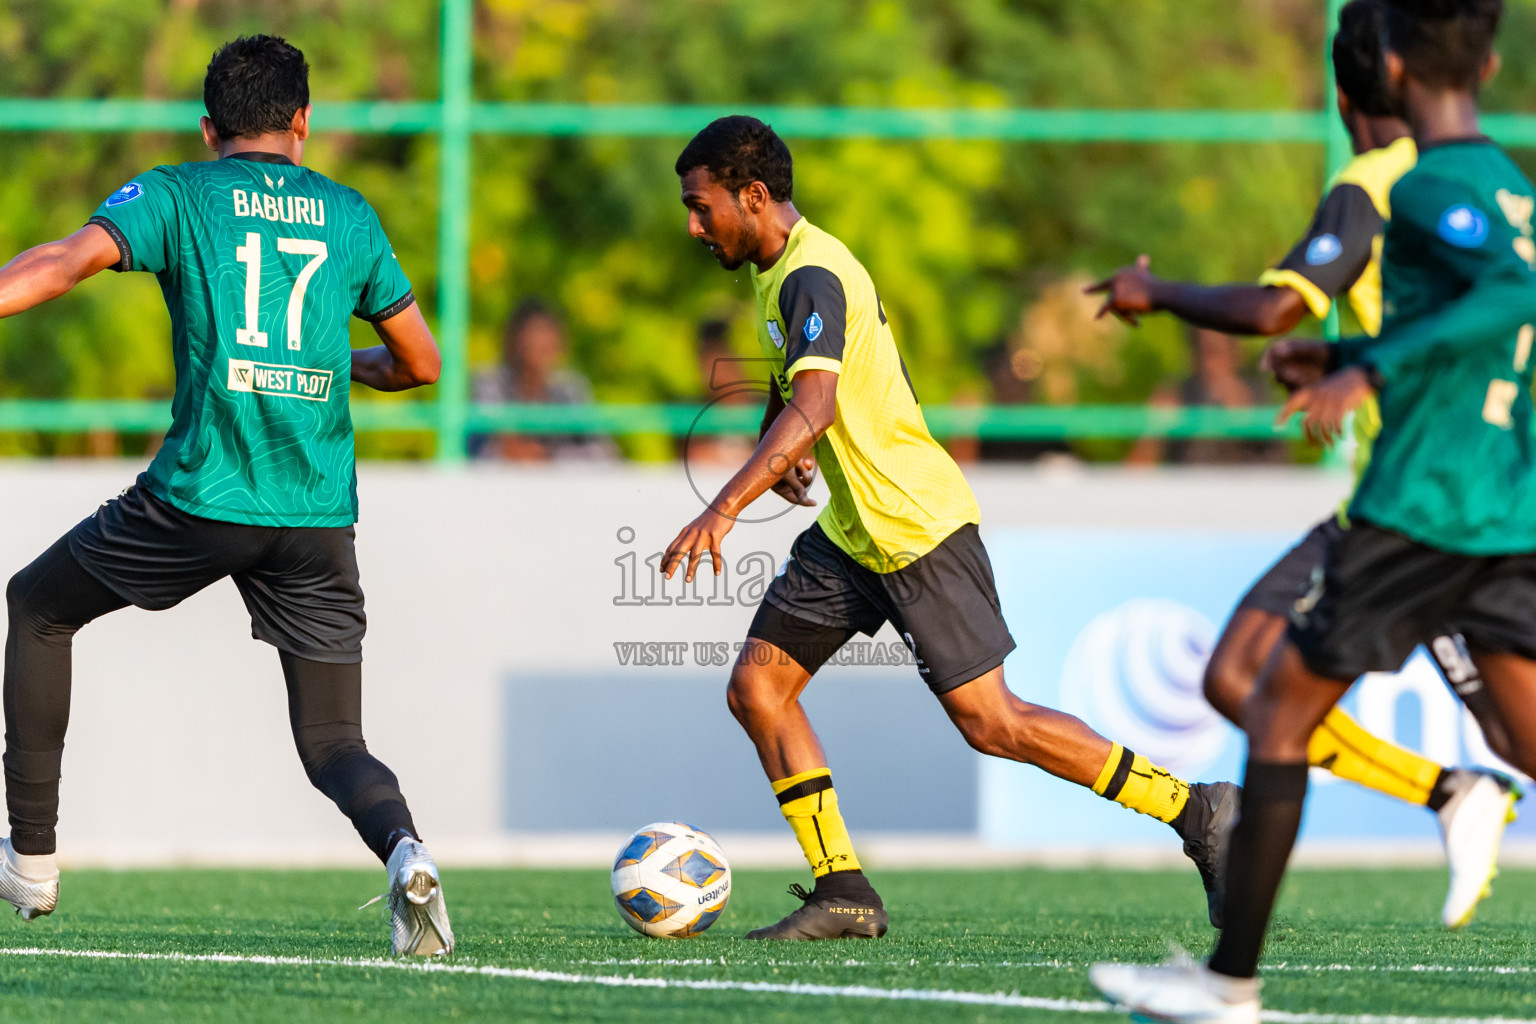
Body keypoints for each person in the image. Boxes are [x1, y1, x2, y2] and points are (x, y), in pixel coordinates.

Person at [664, 115, 1241, 940]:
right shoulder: (776, 272)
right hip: (854, 535)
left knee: (993, 723)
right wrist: (779, 446)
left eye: (700, 205)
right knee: (758, 688)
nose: (693, 225)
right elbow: (800, 387)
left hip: (915, 526)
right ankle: (844, 891)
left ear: (752, 197)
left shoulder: (812, 272)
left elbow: (817, 402)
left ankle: (1198, 812)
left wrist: (723, 507)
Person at [1091, 2, 1536, 1018]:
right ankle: (1238, 971)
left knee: (1272, 704)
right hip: (1505, 501)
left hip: (1421, 504)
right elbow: (1483, 315)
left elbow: (1511, 297)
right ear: (1494, 61)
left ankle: (1228, 983)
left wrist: (1366, 361)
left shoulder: (1420, 186)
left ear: (1382, 65)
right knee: (1525, 738)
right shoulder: (1510, 184)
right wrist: (1337, 357)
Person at [0, 36, 452, 956]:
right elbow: (423, 364)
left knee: (37, 609)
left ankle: (31, 863)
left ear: (209, 128)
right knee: (333, 743)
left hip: (201, 497)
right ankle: (405, 848)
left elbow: (68, 259)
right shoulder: (351, 213)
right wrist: (331, 365)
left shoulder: (178, 193)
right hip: (317, 516)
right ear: (303, 123)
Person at [470, 298, 615, 461]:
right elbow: (496, 440)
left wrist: (551, 459)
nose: (540, 343)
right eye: (533, 334)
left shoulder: (569, 389)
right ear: (513, 339)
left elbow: (602, 451)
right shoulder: (490, 382)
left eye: (547, 334)